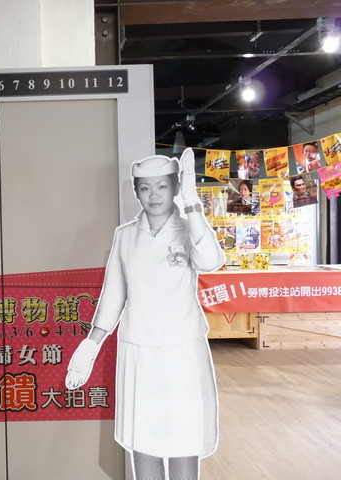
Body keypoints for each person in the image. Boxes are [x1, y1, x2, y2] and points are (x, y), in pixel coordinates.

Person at [66, 148, 225, 480]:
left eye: (162, 186)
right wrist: (90, 345)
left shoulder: (189, 229)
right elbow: (114, 295)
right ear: (137, 192)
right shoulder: (125, 236)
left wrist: (193, 204)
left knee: (183, 436)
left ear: (175, 187)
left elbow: (212, 261)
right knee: (144, 437)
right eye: (145, 188)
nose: (154, 195)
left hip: (182, 348)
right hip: (138, 349)